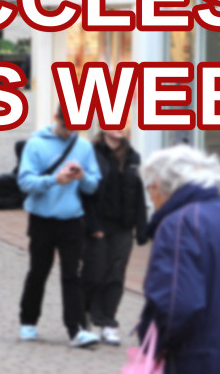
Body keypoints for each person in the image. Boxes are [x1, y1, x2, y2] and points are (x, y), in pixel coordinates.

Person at [138, 145, 220, 373]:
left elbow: (175, 305)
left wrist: (154, 345)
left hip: (197, 359)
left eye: (151, 188)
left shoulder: (178, 224)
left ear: (166, 187)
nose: (151, 198)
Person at [17, 108, 103, 348]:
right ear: (57, 119)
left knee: (72, 274)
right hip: (42, 219)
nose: (70, 132)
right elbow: (24, 181)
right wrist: (55, 180)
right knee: (39, 271)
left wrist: (82, 177)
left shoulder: (84, 146)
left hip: (72, 219)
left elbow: (93, 186)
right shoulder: (35, 144)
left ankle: (76, 330)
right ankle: (28, 321)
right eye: (67, 127)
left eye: (76, 127)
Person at [80, 129, 148, 345]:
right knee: (94, 272)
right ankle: (86, 314)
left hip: (123, 225)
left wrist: (141, 228)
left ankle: (108, 322)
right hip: (97, 223)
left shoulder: (133, 157)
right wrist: (92, 225)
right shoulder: (91, 153)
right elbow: (85, 194)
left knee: (116, 273)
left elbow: (138, 194)